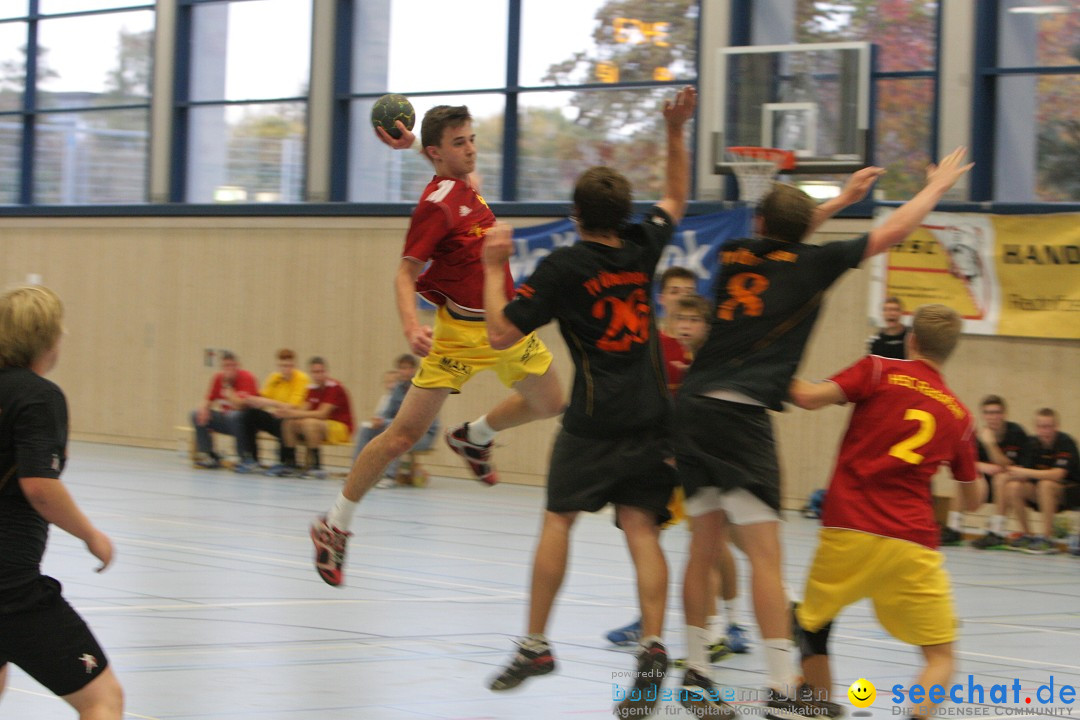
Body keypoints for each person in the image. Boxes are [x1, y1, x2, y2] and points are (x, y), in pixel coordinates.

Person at [672, 147, 973, 719]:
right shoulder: (814, 264)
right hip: (740, 415)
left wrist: (838, 200)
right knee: (765, 557)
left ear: (760, 226)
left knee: (702, 547)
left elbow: (787, 229)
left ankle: (696, 675)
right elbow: (891, 232)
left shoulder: (735, 252)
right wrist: (933, 190)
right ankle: (785, 688)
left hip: (691, 405)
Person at [480, 85, 696, 720]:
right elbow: (677, 196)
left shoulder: (564, 267)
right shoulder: (643, 244)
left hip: (596, 420)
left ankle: (536, 645)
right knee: (641, 527)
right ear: (624, 212)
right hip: (654, 415)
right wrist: (676, 132)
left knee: (558, 520)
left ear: (576, 216)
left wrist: (496, 264)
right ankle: (654, 647)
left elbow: (499, 333)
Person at [310, 103, 564, 587]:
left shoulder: (466, 185)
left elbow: (453, 173)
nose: (470, 149)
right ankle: (335, 523)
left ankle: (476, 436)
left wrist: (416, 152)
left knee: (550, 401)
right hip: (457, 336)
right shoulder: (436, 205)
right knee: (400, 438)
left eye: (471, 139)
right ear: (437, 152)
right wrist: (411, 326)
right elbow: (405, 273)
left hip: (503, 326)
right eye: (459, 143)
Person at [788, 304, 983, 720]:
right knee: (940, 657)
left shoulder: (878, 370)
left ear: (911, 340)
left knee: (811, 626)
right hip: (912, 542)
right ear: (949, 351)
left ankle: (819, 705)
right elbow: (973, 501)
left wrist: (757, 365)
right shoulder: (959, 416)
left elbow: (806, 397)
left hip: (849, 525)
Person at [0, 285, 125, 720]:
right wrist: (91, 535)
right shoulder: (38, 396)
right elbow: (39, 485)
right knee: (102, 699)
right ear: (47, 338)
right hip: (10, 590)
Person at [607, 293, 751, 661]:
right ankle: (679, 626)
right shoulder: (658, 354)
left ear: (707, 324)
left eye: (694, 319)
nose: (685, 325)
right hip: (673, 465)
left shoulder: (715, 361)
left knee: (716, 546)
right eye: (679, 317)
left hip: (712, 466)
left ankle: (729, 625)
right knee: (673, 543)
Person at [948, 395, 1027, 547]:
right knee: (963, 479)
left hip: (1012, 484)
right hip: (986, 482)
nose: (992, 417)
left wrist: (990, 445)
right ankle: (954, 528)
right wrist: (983, 466)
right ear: (983, 415)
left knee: (1001, 478)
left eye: (996, 412)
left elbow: (1009, 466)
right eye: (988, 413)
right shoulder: (977, 436)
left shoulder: (1016, 433)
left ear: (1004, 414)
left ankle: (996, 531)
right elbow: (967, 462)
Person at [999, 408, 1079, 554]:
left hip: (1070, 492)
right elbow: (1023, 473)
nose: (1045, 431)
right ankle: (1028, 535)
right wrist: (1011, 473)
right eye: (1041, 427)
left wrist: (1025, 472)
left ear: (1056, 427)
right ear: (1036, 428)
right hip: (1041, 493)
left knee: (1045, 484)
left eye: (1049, 427)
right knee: (1013, 487)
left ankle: (1048, 538)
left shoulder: (1065, 442)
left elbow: (1058, 474)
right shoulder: (1032, 444)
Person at [353, 354, 440, 489]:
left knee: (395, 433)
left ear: (415, 370)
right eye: (402, 368)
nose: (405, 371)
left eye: (408, 368)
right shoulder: (397, 388)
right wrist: (379, 420)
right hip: (400, 428)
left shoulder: (422, 387)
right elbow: (388, 412)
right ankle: (356, 473)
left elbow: (414, 420)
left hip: (423, 434)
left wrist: (386, 422)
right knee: (366, 429)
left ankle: (390, 476)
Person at [266, 357, 354, 479]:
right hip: (322, 425)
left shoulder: (335, 387)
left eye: (321, 372)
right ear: (311, 373)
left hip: (341, 427)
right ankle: (291, 463)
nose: (318, 375)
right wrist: (287, 413)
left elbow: (322, 414)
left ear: (326, 372)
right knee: (289, 423)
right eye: (315, 372)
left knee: (310, 423)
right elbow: (303, 409)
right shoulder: (312, 389)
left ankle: (316, 466)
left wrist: (292, 413)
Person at [233, 349, 311, 473]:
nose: (286, 369)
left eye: (289, 365)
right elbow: (263, 397)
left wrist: (271, 403)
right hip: (276, 416)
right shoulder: (275, 377)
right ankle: (251, 458)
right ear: (278, 366)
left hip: (292, 419)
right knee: (248, 415)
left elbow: (293, 407)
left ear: (294, 365)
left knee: (285, 421)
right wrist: (251, 400)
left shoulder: (301, 379)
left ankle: (286, 461)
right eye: (283, 366)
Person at [190, 350, 259, 469]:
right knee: (195, 414)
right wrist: (203, 408)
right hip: (226, 419)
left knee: (235, 415)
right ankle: (209, 455)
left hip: (245, 422)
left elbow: (241, 405)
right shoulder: (218, 378)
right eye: (225, 366)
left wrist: (228, 389)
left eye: (231, 366)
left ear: (237, 366)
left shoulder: (247, 378)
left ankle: (244, 457)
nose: (228, 370)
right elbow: (208, 398)